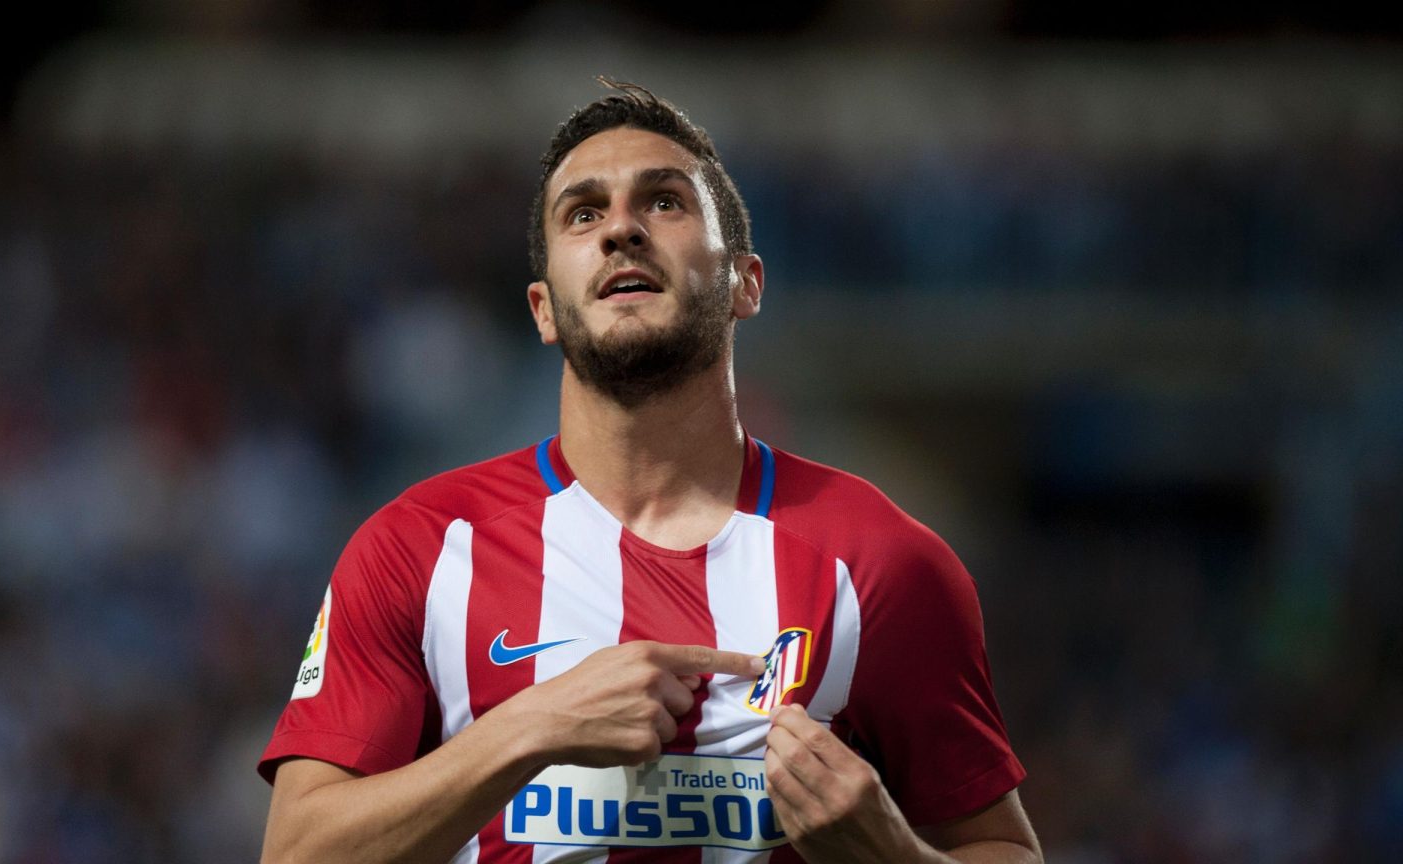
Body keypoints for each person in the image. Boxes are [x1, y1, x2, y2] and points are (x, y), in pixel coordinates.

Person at [258, 80, 1041, 864]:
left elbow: (1002, 848)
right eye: (583, 213)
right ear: (542, 308)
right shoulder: (417, 550)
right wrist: (530, 727)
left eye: (665, 202)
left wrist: (893, 853)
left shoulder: (881, 561)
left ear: (744, 283)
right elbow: (296, 852)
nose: (621, 229)